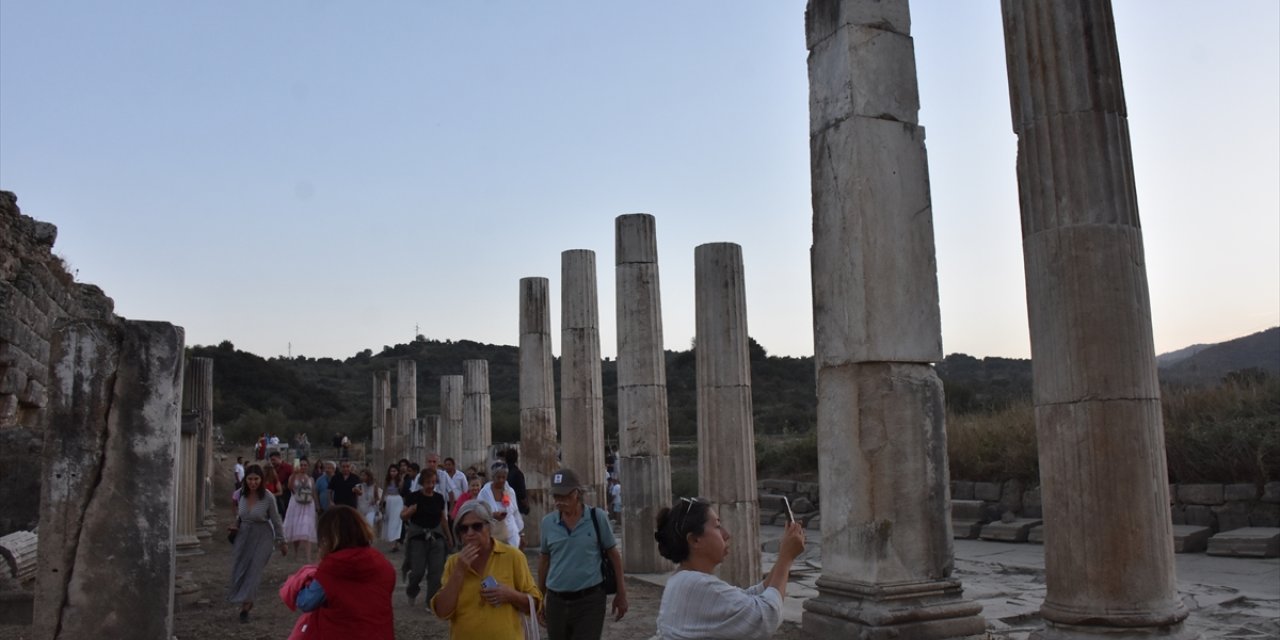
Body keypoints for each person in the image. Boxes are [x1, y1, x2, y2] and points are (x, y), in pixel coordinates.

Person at [653, 498, 806, 640]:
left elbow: (746, 598)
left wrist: (784, 556)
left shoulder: (684, 580)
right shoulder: (696, 584)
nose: (726, 534)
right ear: (695, 540)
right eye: (718, 526)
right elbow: (766, 616)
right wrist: (786, 558)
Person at [537, 468, 627, 639]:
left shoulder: (597, 517)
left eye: (564, 496)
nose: (559, 501)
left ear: (577, 493)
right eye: (556, 496)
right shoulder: (548, 523)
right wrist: (540, 598)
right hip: (556, 601)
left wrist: (621, 593)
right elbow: (544, 561)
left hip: (590, 600)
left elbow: (614, 556)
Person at [430, 501, 541, 639]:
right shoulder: (453, 563)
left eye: (477, 526)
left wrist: (510, 595)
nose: (470, 533)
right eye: (463, 529)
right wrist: (459, 572)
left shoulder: (513, 557)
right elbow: (442, 612)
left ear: (489, 527)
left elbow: (535, 605)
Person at [285, 505, 396, 639]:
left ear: (329, 538)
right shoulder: (383, 563)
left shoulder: (332, 568)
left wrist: (299, 582)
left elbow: (306, 602)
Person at [226, 464, 287, 623]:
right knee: (241, 568)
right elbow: (240, 517)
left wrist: (282, 541)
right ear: (245, 480)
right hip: (244, 535)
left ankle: (245, 608)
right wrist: (235, 527)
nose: (253, 482)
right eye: (250, 479)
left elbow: (276, 519)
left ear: (262, 480)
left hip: (263, 536)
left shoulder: (268, 497)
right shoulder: (241, 495)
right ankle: (243, 597)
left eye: (256, 479)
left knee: (254, 570)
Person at [401, 469, 453, 606]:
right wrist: (409, 512)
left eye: (433, 482)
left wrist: (449, 536)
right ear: (422, 483)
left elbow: (443, 519)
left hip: (436, 538)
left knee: (436, 572)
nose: (431, 485)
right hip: (418, 538)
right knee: (417, 571)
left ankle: (431, 601)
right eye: (428, 482)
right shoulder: (413, 497)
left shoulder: (439, 498)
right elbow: (402, 515)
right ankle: (412, 590)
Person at [475, 463, 523, 548]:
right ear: (493, 477)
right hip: (494, 533)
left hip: (512, 533)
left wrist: (521, 533)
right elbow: (478, 512)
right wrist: (492, 515)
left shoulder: (510, 491)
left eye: (503, 477)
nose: (501, 480)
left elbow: (515, 512)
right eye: (498, 477)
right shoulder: (484, 493)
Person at [283, 458, 319, 564]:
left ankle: (308, 557)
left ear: (308, 466)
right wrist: (294, 474)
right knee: (297, 528)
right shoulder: (293, 477)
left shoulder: (311, 479)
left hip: (308, 505)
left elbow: (313, 492)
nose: (303, 467)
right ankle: (296, 553)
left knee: (306, 528)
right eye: (301, 465)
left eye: (305, 465)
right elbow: (290, 487)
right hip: (296, 504)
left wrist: (317, 505)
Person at [381, 464, 405, 552]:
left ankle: (396, 542)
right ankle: (391, 541)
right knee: (389, 520)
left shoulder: (400, 480)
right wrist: (382, 502)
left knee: (396, 521)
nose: (393, 473)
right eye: (391, 471)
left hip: (397, 500)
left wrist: (401, 479)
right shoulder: (387, 480)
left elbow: (401, 489)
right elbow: (384, 491)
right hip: (389, 500)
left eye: (395, 471)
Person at [502, 448, 530, 517]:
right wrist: (526, 506)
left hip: (504, 505)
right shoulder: (518, 473)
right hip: (516, 507)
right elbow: (522, 493)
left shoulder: (502, 473)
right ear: (516, 459)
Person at [269, 450, 294, 517]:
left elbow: (293, 480)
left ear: (279, 458)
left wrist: (284, 486)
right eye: (271, 460)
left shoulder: (288, 467)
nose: (272, 462)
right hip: (275, 495)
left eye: (273, 460)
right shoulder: (271, 469)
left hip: (286, 495)